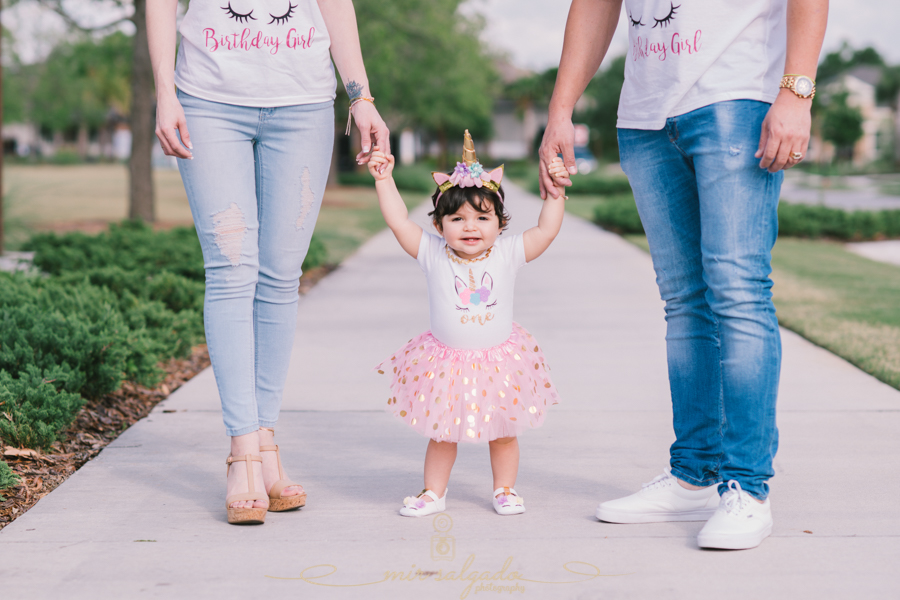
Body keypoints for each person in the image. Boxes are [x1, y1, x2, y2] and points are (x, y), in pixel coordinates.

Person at [539, 0, 827, 549]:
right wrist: (561, 109)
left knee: (738, 293)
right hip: (646, 116)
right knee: (685, 303)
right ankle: (695, 473)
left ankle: (747, 486)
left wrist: (796, 90)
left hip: (736, 97)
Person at [148, 0, 390, 525]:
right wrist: (164, 93)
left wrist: (361, 95)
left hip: (303, 105)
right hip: (208, 100)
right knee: (232, 271)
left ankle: (265, 442)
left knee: (280, 278)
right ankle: (242, 454)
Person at [368, 131, 567, 517]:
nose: (470, 226)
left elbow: (546, 231)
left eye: (482, 216)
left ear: (500, 222)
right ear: (439, 226)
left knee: (504, 433)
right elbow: (397, 221)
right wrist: (383, 179)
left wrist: (556, 195)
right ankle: (433, 493)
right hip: (446, 362)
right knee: (442, 433)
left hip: (500, 361)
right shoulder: (432, 252)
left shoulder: (508, 253)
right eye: (456, 218)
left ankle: (505, 489)